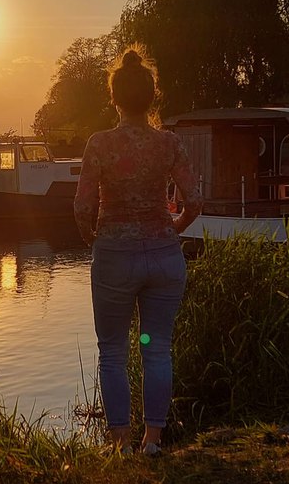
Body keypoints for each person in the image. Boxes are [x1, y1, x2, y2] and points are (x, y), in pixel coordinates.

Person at [73, 47, 203, 454]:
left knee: (112, 350)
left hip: (115, 254)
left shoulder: (100, 144)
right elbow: (194, 201)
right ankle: (153, 440)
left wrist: (91, 237)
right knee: (157, 347)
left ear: (114, 97)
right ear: (151, 97)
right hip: (164, 255)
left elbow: (82, 206)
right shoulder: (169, 144)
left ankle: (121, 443)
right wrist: (174, 228)